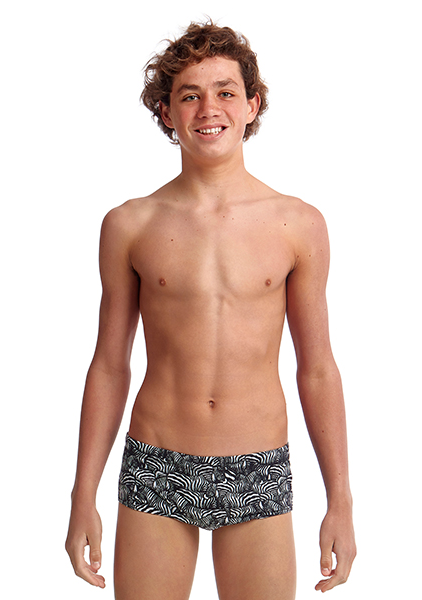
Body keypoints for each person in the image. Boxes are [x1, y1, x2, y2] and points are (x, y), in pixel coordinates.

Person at [65, 20, 356, 599]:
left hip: (257, 463)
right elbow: (110, 365)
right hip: (157, 461)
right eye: (189, 95)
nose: (208, 109)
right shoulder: (129, 225)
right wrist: (82, 495)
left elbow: (318, 368)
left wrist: (341, 501)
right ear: (166, 112)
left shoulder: (297, 224)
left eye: (225, 92)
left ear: (252, 105)